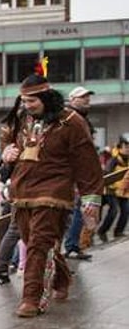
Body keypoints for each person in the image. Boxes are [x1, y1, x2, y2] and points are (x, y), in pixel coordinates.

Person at [0, 75, 103, 316]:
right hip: (22, 191)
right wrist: (7, 152)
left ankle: (31, 299)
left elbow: (87, 162)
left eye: (32, 101)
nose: (27, 106)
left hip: (54, 193)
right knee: (35, 242)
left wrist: (91, 198)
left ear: (46, 97)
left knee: (38, 243)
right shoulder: (20, 119)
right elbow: (7, 142)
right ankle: (62, 278)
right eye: (24, 101)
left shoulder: (72, 121)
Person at [62, 87, 96, 259]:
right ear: (72, 99)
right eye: (82, 97)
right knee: (76, 208)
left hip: (80, 172)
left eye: (87, 97)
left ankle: (72, 245)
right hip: (72, 173)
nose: (87, 100)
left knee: (79, 208)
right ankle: (71, 246)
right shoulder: (70, 118)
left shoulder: (81, 119)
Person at [97, 138, 129, 241]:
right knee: (113, 210)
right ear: (120, 147)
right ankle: (102, 231)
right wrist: (115, 185)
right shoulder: (114, 160)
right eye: (126, 147)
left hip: (124, 191)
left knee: (126, 210)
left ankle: (118, 232)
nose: (128, 149)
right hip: (111, 190)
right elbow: (107, 175)